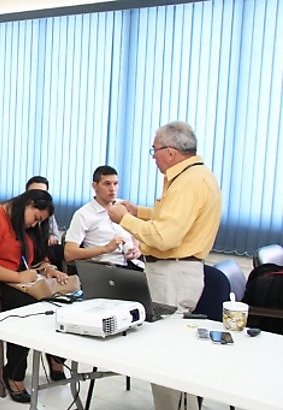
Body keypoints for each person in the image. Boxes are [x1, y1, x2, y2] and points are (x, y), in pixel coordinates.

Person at [108, 121, 221, 410]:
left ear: (171, 152)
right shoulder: (193, 176)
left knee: (164, 354)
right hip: (177, 271)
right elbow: (169, 218)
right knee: (173, 353)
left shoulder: (188, 182)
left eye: (155, 150)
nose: (154, 156)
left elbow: (166, 236)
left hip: (174, 274)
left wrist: (125, 220)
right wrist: (141, 212)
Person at [0, 189, 69, 403]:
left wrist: (47, 269)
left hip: (9, 283)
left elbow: (31, 258)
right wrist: (18, 276)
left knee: (57, 301)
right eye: (36, 218)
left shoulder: (21, 223)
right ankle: (14, 373)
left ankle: (55, 358)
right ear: (28, 204)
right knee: (27, 310)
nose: (35, 225)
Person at [64, 165, 143, 270]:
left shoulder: (123, 206)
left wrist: (136, 248)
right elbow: (69, 253)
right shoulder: (83, 214)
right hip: (106, 268)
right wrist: (106, 248)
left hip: (133, 263)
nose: (112, 189)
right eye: (107, 184)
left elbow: (135, 233)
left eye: (115, 184)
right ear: (95, 186)